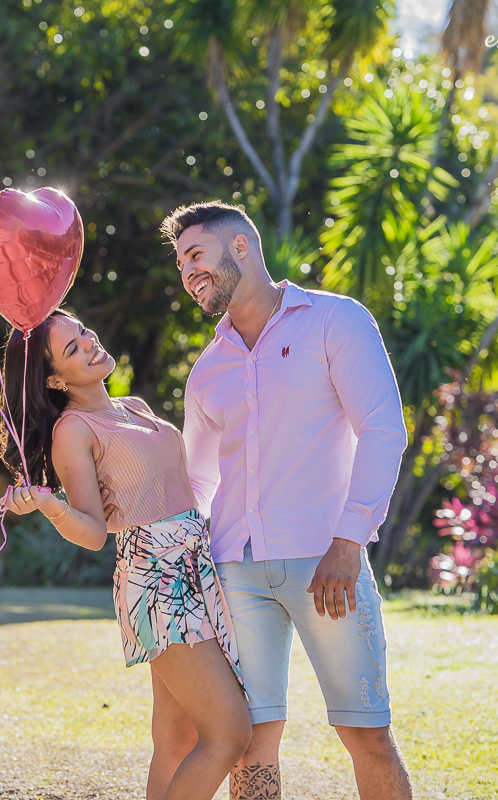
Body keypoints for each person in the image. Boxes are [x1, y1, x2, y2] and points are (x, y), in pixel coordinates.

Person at [159, 201, 414, 800]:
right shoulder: (207, 370)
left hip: (327, 562)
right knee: (250, 740)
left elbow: (382, 429)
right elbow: (197, 484)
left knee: (367, 734)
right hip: (235, 573)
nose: (187, 273)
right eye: (180, 264)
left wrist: (349, 541)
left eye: (196, 255)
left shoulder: (336, 322)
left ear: (242, 246)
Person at [0, 309, 252, 800]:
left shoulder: (132, 406)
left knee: (178, 740)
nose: (90, 344)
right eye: (73, 349)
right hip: (156, 580)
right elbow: (93, 532)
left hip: (195, 568)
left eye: (84, 333)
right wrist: (51, 505)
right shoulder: (73, 429)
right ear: (54, 378)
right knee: (229, 733)